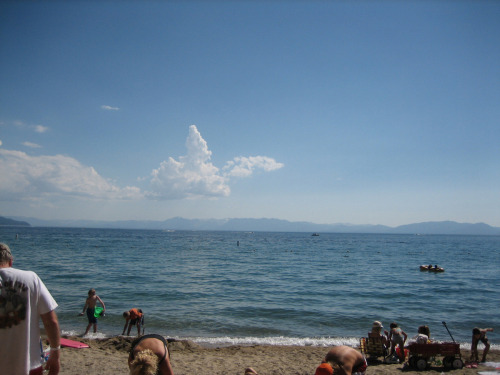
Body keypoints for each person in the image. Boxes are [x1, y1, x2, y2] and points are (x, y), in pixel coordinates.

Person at [0, 242, 61, 375]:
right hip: (28, 365)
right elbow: (50, 321)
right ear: (10, 262)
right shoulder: (30, 278)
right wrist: (55, 353)